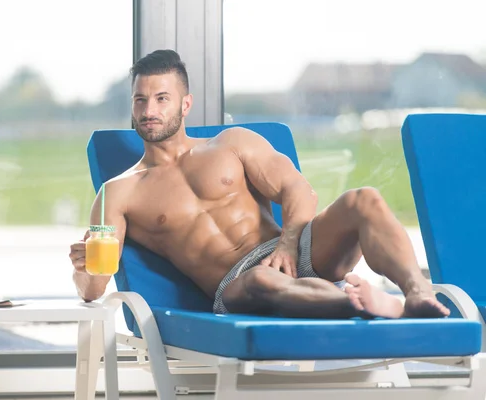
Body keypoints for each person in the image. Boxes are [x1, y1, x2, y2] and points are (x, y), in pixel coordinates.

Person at [69, 49, 450, 319]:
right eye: (140, 100)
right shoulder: (118, 192)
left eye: (161, 98)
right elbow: (94, 287)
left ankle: (416, 294)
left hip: (294, 249)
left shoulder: (232, 143)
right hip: (236, 283)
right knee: (262, 280)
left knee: (363, 199)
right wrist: (83, 269)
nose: (149, 111)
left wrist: (287, 244)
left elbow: (299, 190)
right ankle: (364, 305)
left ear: (185, 104)